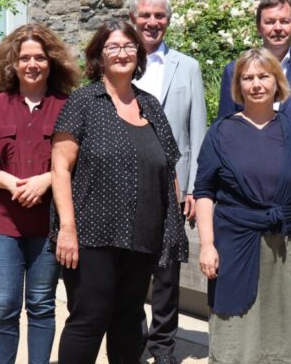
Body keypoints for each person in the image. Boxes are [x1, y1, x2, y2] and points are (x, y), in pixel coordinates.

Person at [51, 19, 189, 364]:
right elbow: (60, 168)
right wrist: (67, 228)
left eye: (129, 47)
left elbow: (167, 167)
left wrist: (171, 225)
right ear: (99, 55)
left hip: (143, 236)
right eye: (113, 47)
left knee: (129, 320)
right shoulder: (84, 102)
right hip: (92, 236)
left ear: (139, 54)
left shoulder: (151, 104)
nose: (122, 53)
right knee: (89, 318)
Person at [194, 48, 291, 363]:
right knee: (235, 335)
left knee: (282, 334)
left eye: (263, 76)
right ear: (238, 86)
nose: (256, 84)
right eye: (247, 78)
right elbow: (205, 192)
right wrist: (207, 245)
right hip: (235, 244)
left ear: (277, 82)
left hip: (286, 245)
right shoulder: (221, 132)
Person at [0, 24, 81, 364]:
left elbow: (81, 161)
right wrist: (8, 181)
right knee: (4, 305)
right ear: (12, 64)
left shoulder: (69, 106)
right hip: (2, 223)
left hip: (48, 224)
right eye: (24, 58)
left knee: (42, 303)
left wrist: (46, 179)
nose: (32, 64)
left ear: (52, 62)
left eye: (40, 57)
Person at [129, 0, 207, 364]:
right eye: (145, 15)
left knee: (166, 272)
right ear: (133, 19)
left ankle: (163, 347)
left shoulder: (187, 67)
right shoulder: (118, 62)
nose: (152, 22)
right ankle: (134, 338)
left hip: (172, 185)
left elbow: (197, 130)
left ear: (168, 21)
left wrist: (194, 186)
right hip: (125, 184)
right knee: (128, 269)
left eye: (159, 16)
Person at [217, 0, 291, 142]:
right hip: (249, 162)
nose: (278, 28)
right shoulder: (235, 70)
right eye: (270, 22)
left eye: (284, 21)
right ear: (258, 27)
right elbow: (225, 130)